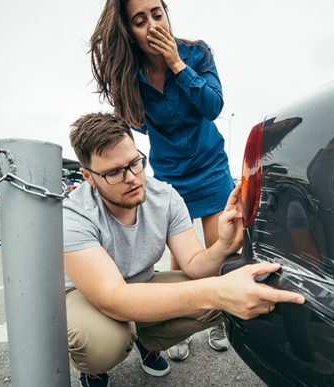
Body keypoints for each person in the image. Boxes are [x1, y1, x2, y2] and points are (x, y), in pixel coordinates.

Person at [63, 112, 305, 387]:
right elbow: (113, 298)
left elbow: (193, 264)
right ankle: (95, 369)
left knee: (219, 292)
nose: (132, 178)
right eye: (114, 172)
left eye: (135, 163)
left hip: (142, 282)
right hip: (89, 296)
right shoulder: (74, 214)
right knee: (102, 343)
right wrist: (217, 292)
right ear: (88, 176)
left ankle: (148, 342)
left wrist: (225, 244)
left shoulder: (164, 196)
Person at [89, 0, 235, 358]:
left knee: (218, 252)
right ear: (130, 33)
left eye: (157, 13)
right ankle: (178, 321)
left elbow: (213, 106)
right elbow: (137, 122)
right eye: (140, 20)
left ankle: (219, 320)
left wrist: (176, 64)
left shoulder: (197, 53)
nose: (153, 25)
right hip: (170, 174)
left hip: (210, 165)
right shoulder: (130, 75)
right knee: (182, 258)